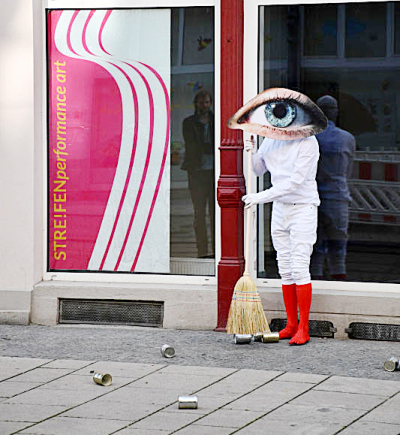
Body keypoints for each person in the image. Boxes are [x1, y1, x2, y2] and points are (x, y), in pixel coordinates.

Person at [243, 134, 321, 345]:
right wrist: (250, 149)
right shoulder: (271, 139)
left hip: (303, 208)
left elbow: (295, 182)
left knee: (300, 267)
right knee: (284, 267)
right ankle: (291, 325)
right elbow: (259, 169)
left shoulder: (307, 141)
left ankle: (303, 328)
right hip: (280, 208)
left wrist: (259, 197)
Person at [311, 95, 356, 281]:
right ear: (336, 113)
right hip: (338, 198)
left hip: (314, 198)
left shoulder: (310, 138)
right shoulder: (347, 138)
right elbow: (348, 171)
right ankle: (339, 284)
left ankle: (317, 284)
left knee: (316, 247)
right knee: (338, 247)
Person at [181, 90, 215, 258]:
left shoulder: (216, 120)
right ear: (196, 104)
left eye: (207, 102)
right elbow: (194, 145)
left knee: (215, 214)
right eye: (202, 102)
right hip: (197, 173)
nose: (205, 105)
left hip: (213, 174)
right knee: (199, 213)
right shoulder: (189, 122)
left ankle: (217, 250)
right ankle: (201, 250)